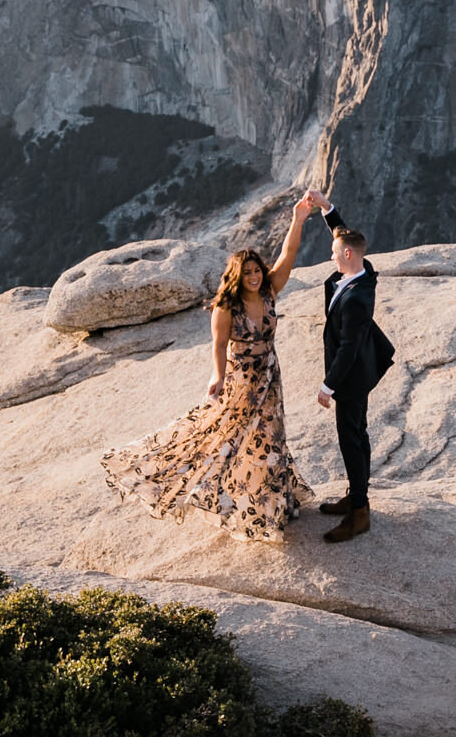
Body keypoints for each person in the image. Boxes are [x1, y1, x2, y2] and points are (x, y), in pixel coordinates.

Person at [102, 193, 316, 543]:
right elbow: (218, 346)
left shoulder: (269, 292)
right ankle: (240, 505)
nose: (253, 276)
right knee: (233, 439)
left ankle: (272, 505)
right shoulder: (226, 307)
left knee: (269, 439)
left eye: (257, 270)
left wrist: (298, 219)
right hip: (242, 379)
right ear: (236, 275)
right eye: (246, 272)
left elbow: (288, 254)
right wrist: (217, 377)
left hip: (269, 378)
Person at [312, 199, 393, 545]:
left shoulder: (358, 296)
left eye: (334, 252)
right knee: (357, 433)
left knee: (351, 438)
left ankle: (359, 512)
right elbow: (342, 235)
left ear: (347, 255)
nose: (331, 256)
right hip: (354, 373)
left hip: (351, 377)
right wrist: (327, 207)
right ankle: (357, 494)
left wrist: (328, 386)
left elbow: (349, 347)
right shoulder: (361, 269)